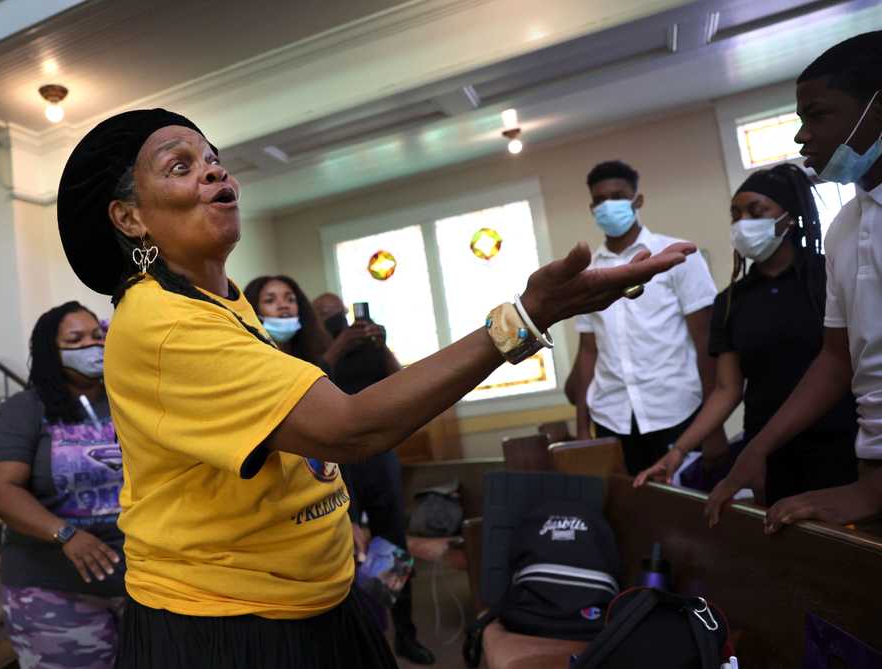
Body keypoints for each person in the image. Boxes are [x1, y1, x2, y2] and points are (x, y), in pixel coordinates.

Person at [54, 108, 693, 668]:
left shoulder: (223, 301)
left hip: (313, 598)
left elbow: (294, 450)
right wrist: (523, 319)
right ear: (130, 217)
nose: (217, 173)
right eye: (181, 165)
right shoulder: (162, 322)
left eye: (215, 160)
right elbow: (350, 426)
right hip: (228, 624)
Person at [706, 31, 882, 529]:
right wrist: (755, 449)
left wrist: (874, 491)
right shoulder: (846, 227)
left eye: (818, 115)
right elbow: (835, 357)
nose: (802, 137)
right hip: (867, 460)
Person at [634, 163, 858, 503]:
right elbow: (726, 389)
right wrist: (678, 451)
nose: (743, 224)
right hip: (765, 452)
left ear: (790, 216)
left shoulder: (827, 277)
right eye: (735, 215)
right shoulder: (731, 302)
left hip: (839, 441)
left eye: (756, 212)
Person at [0, 302, 124, 669]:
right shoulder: (25, 408)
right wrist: (66, 534)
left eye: (97, 336)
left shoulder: (128, 399)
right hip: (54, 588)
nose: (91, 345)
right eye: (75, 340)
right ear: (50, 351)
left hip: (143, 584)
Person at [572, 161, 724, 475]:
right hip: (610, 417)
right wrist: (582, 428)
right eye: (600, 200)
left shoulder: (674, 255)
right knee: (629, 513)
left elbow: (705, 340)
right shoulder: (588, 274)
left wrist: (713, 426)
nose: (607, 206)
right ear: (592, 208)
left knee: (684, 511)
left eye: (617, 196)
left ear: (637, 200)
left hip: (677, 410)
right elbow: (588, 350)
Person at [312, 292, 434, 665]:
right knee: (347, 546)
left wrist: (381, 346)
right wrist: (337, 345)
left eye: (339, 311)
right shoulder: (316, 349)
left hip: (379, 457)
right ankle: (362, 637)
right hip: (336, 461)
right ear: (315, 319)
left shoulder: (368, 346)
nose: (336, 318)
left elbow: (401, 383)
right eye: (326, 313)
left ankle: (406, 634)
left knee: (393, 544)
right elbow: (311, 387)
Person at [244, 275, 332, 364]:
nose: (284, 305)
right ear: (253, 309)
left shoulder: (315, 354)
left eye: (290, 299)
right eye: (270, 300)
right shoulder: (249, 360)